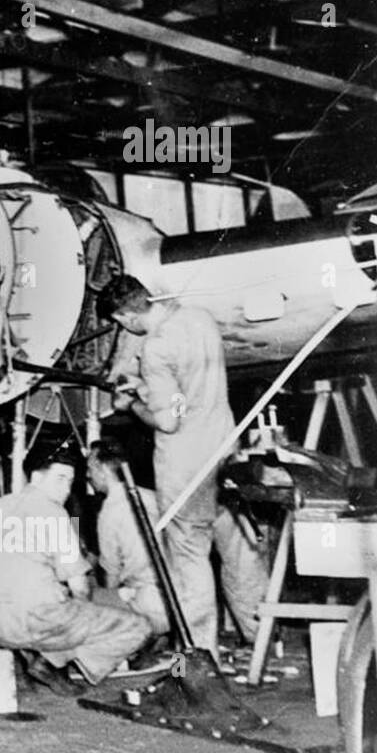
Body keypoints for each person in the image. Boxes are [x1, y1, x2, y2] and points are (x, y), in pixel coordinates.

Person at [97, 274, 269, 653]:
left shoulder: (157, 348)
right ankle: (261, 641)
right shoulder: (200, 318)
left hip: (185, 466)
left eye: (120, 322)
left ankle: (199, 655)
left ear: (126, 317)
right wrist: (151, 389)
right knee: (239, 549)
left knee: (190, 556)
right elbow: (189, 391)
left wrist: (134, 405)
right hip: (225, 454)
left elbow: (170, 419)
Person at [0, 450, 151, 691]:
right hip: (37, 620)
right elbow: (80, 588)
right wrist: (106, 602)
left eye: (70, 481)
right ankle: (52, 661)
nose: (66, 488)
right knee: (140, 627)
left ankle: (43, 657)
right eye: (59, 479)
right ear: (36, 478)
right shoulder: (55, 513)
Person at [86, 439, 170, 639]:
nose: (88, 475)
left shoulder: (109, 512)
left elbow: (111, 573)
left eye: (89, 468)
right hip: (180, 598)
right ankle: (177, 669)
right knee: (181, 652)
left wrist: (110, 607)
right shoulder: (153, 496)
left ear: (102, 468)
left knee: (84, 598)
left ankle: (128, 650)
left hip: (148, 603)